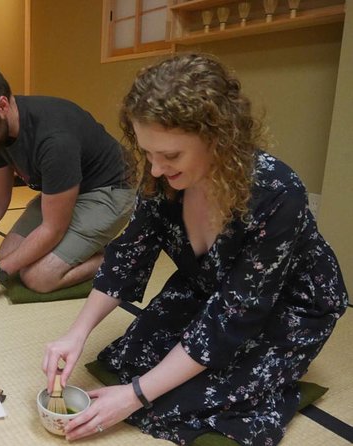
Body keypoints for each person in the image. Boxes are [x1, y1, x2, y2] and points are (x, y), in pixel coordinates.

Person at [42, 53, 348, 444]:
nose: (154, 169)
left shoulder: (277, 193)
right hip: (208, 288)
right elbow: (129, 255)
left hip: (285, 305)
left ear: (219, 139)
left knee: (180, 401)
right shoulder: (161, 179)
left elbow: (234, 314)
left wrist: (134, 397)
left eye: (170, 156)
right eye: (148, 153)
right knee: (129, 361)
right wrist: (76, 333)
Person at [0, 63, 134, 300]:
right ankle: (78, 249)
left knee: (38, 277)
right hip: (66, 191)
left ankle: (115, 257)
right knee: (8, 256)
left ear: (2, 105)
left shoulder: (54, 139)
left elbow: (53, 228)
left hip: (108, 190)